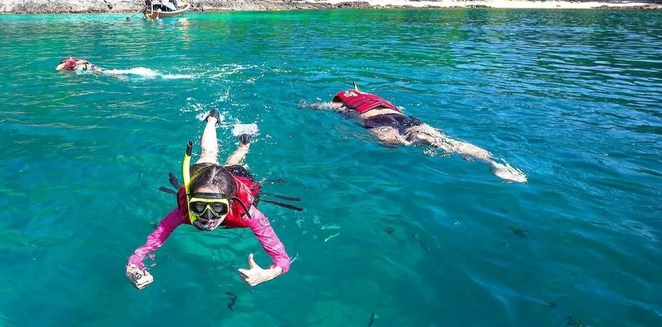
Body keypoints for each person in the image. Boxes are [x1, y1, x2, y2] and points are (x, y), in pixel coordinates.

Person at [125, 109, 291, 289]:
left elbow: (283, 259)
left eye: (218, 208)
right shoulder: (183, 212)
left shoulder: (249, 215)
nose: (208, 217)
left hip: (236, 179)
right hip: (203, 176)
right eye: (198, 207)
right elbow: (151, 242)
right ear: (190, 201)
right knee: (207, 155)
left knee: (234, 164)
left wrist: (269, 273)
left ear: (230, 204)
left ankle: (243, 147)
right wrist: (133, 267)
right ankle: (212, 119)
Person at [304, 85, 527, 183]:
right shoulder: (378, 98)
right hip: (406, 118)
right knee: (443, 141)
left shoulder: (342, 104)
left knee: (391, 143)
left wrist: (307, 106)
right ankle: (492, 163)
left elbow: (322, 106)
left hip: (374, 120)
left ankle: (406, 149)